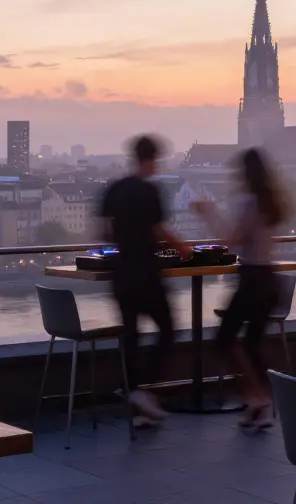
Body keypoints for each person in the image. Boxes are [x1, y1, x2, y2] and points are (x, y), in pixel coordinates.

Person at [192, 147, 291, 429]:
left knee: (225, 338)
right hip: (268, 279)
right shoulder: (271, 202)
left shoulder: (249, 203)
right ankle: (259, 402)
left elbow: (231, 239)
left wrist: (209, 213)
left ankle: (256, 396)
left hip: (252, 279)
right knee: (252, 343)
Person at [98, 135, 192, 422]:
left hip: (122, 274)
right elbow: (159, 229)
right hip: (146, 272)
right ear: (152, 160)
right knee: (167, 328)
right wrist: (183, 249)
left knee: (131, 334)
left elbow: (104, 233)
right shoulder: (150, 191)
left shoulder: (114, 188)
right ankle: (146, 388)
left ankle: (136, 394)